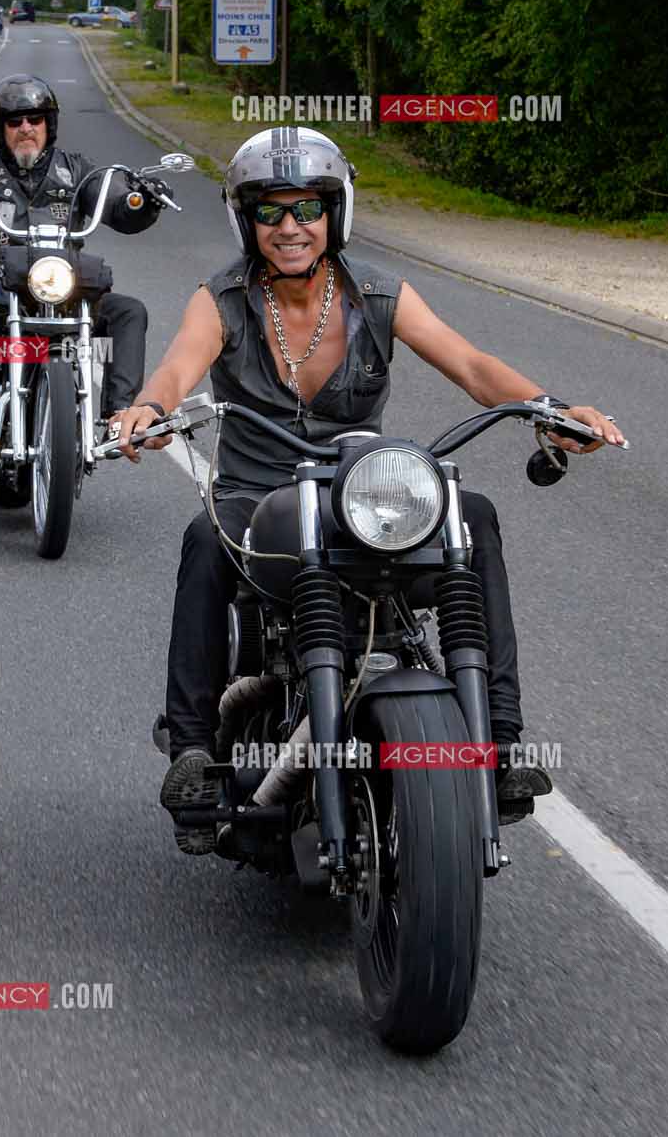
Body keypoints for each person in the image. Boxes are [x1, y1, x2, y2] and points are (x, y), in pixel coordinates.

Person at [103, 128, 625, 851]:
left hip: (362, 494)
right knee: (203, 538)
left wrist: (552, 410)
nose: (290, 228)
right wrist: (149, 409)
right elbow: (174, 371)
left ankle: (501, 742)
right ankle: (193, 752)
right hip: (260, 504)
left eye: (307, 208)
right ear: (245, 220)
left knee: (472, 518)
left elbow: (472, 367)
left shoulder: (379, 294)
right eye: (269, 211)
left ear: (335, 212)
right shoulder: (219, 299)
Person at [0, 74, 163, 442]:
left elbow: (116, 205)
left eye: (35, 119)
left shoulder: (76, 170)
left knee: (129, 311)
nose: (26, 128)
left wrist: (140, 202)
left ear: (49, 124)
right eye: (14, 121)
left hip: (63, 284)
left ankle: (119, 412)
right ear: (1, 129)